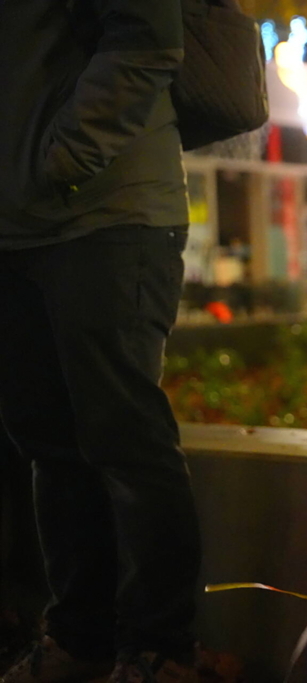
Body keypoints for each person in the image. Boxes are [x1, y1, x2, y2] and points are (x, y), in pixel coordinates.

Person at [0, 2, 202, 682]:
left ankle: (160, 647)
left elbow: (147, 35)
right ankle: (79, 638)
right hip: (16, 225)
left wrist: (66, 156)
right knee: (47, 443)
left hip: (106, 210)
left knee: (126, 440)